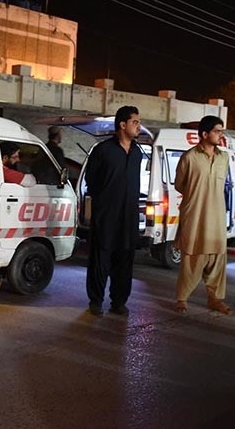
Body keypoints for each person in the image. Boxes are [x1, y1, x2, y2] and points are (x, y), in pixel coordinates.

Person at [84, 106, 142, 316]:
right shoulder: (103, 150)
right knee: (101, 260)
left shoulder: (137, 152)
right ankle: (96, 301)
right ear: (122, 124)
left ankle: (118, 301)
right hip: (107, 217)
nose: (138, 126)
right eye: (135, 122)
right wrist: (103, 205)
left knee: (125, 262)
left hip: (129, 218)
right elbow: (92, 181)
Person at [174, 115, 233, 315]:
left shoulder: (224, 157)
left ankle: (214, 299)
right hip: (195, 215)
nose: (220, 135)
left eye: (221, 131)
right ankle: (182, 298)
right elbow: (180, 185)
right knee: (192, 258)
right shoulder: (189, 157)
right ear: (205, 134)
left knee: (217, 257)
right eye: (217, 131)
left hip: (216, 217)